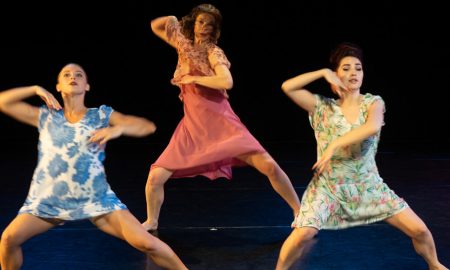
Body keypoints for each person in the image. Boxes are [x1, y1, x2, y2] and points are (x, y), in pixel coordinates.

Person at [275, 42, 448, 270]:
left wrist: (335, 144)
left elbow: (372, 127)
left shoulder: (373, 102)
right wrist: (322, 72)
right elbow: (288, 87)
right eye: (345, 68)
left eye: (358, 68)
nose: (353, 73)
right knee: (302, 235)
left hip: (368, 186)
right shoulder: (322, 107)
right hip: (329, 188)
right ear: (336, 75)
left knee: (420, 230)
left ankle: (435, 265)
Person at [0, 63, 188, 270]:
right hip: (49, 199)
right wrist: (35, 89)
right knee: (9, 239)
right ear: (58, 86)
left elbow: (147, 126)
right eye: (67, 75)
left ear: (87, 86)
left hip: (95, 198)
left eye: (79, 75)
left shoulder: (100, 115)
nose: (73, 77)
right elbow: (3, 101)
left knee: (147, 243)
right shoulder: (46, 117)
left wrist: (119, 129)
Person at [142, 3, 301, 232]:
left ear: (216, 29)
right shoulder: (183, 45)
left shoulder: (213, 52)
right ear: (193, 23)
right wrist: (176, 18)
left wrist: (195, 79)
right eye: (201, 21)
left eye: (210, 23)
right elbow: (156, 25)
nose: (205, 27)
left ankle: (300, 211)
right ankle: (152, 221)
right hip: (193, 127)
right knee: (156, 176)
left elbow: (227, 82)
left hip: (222, 122)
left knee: (269, 167)